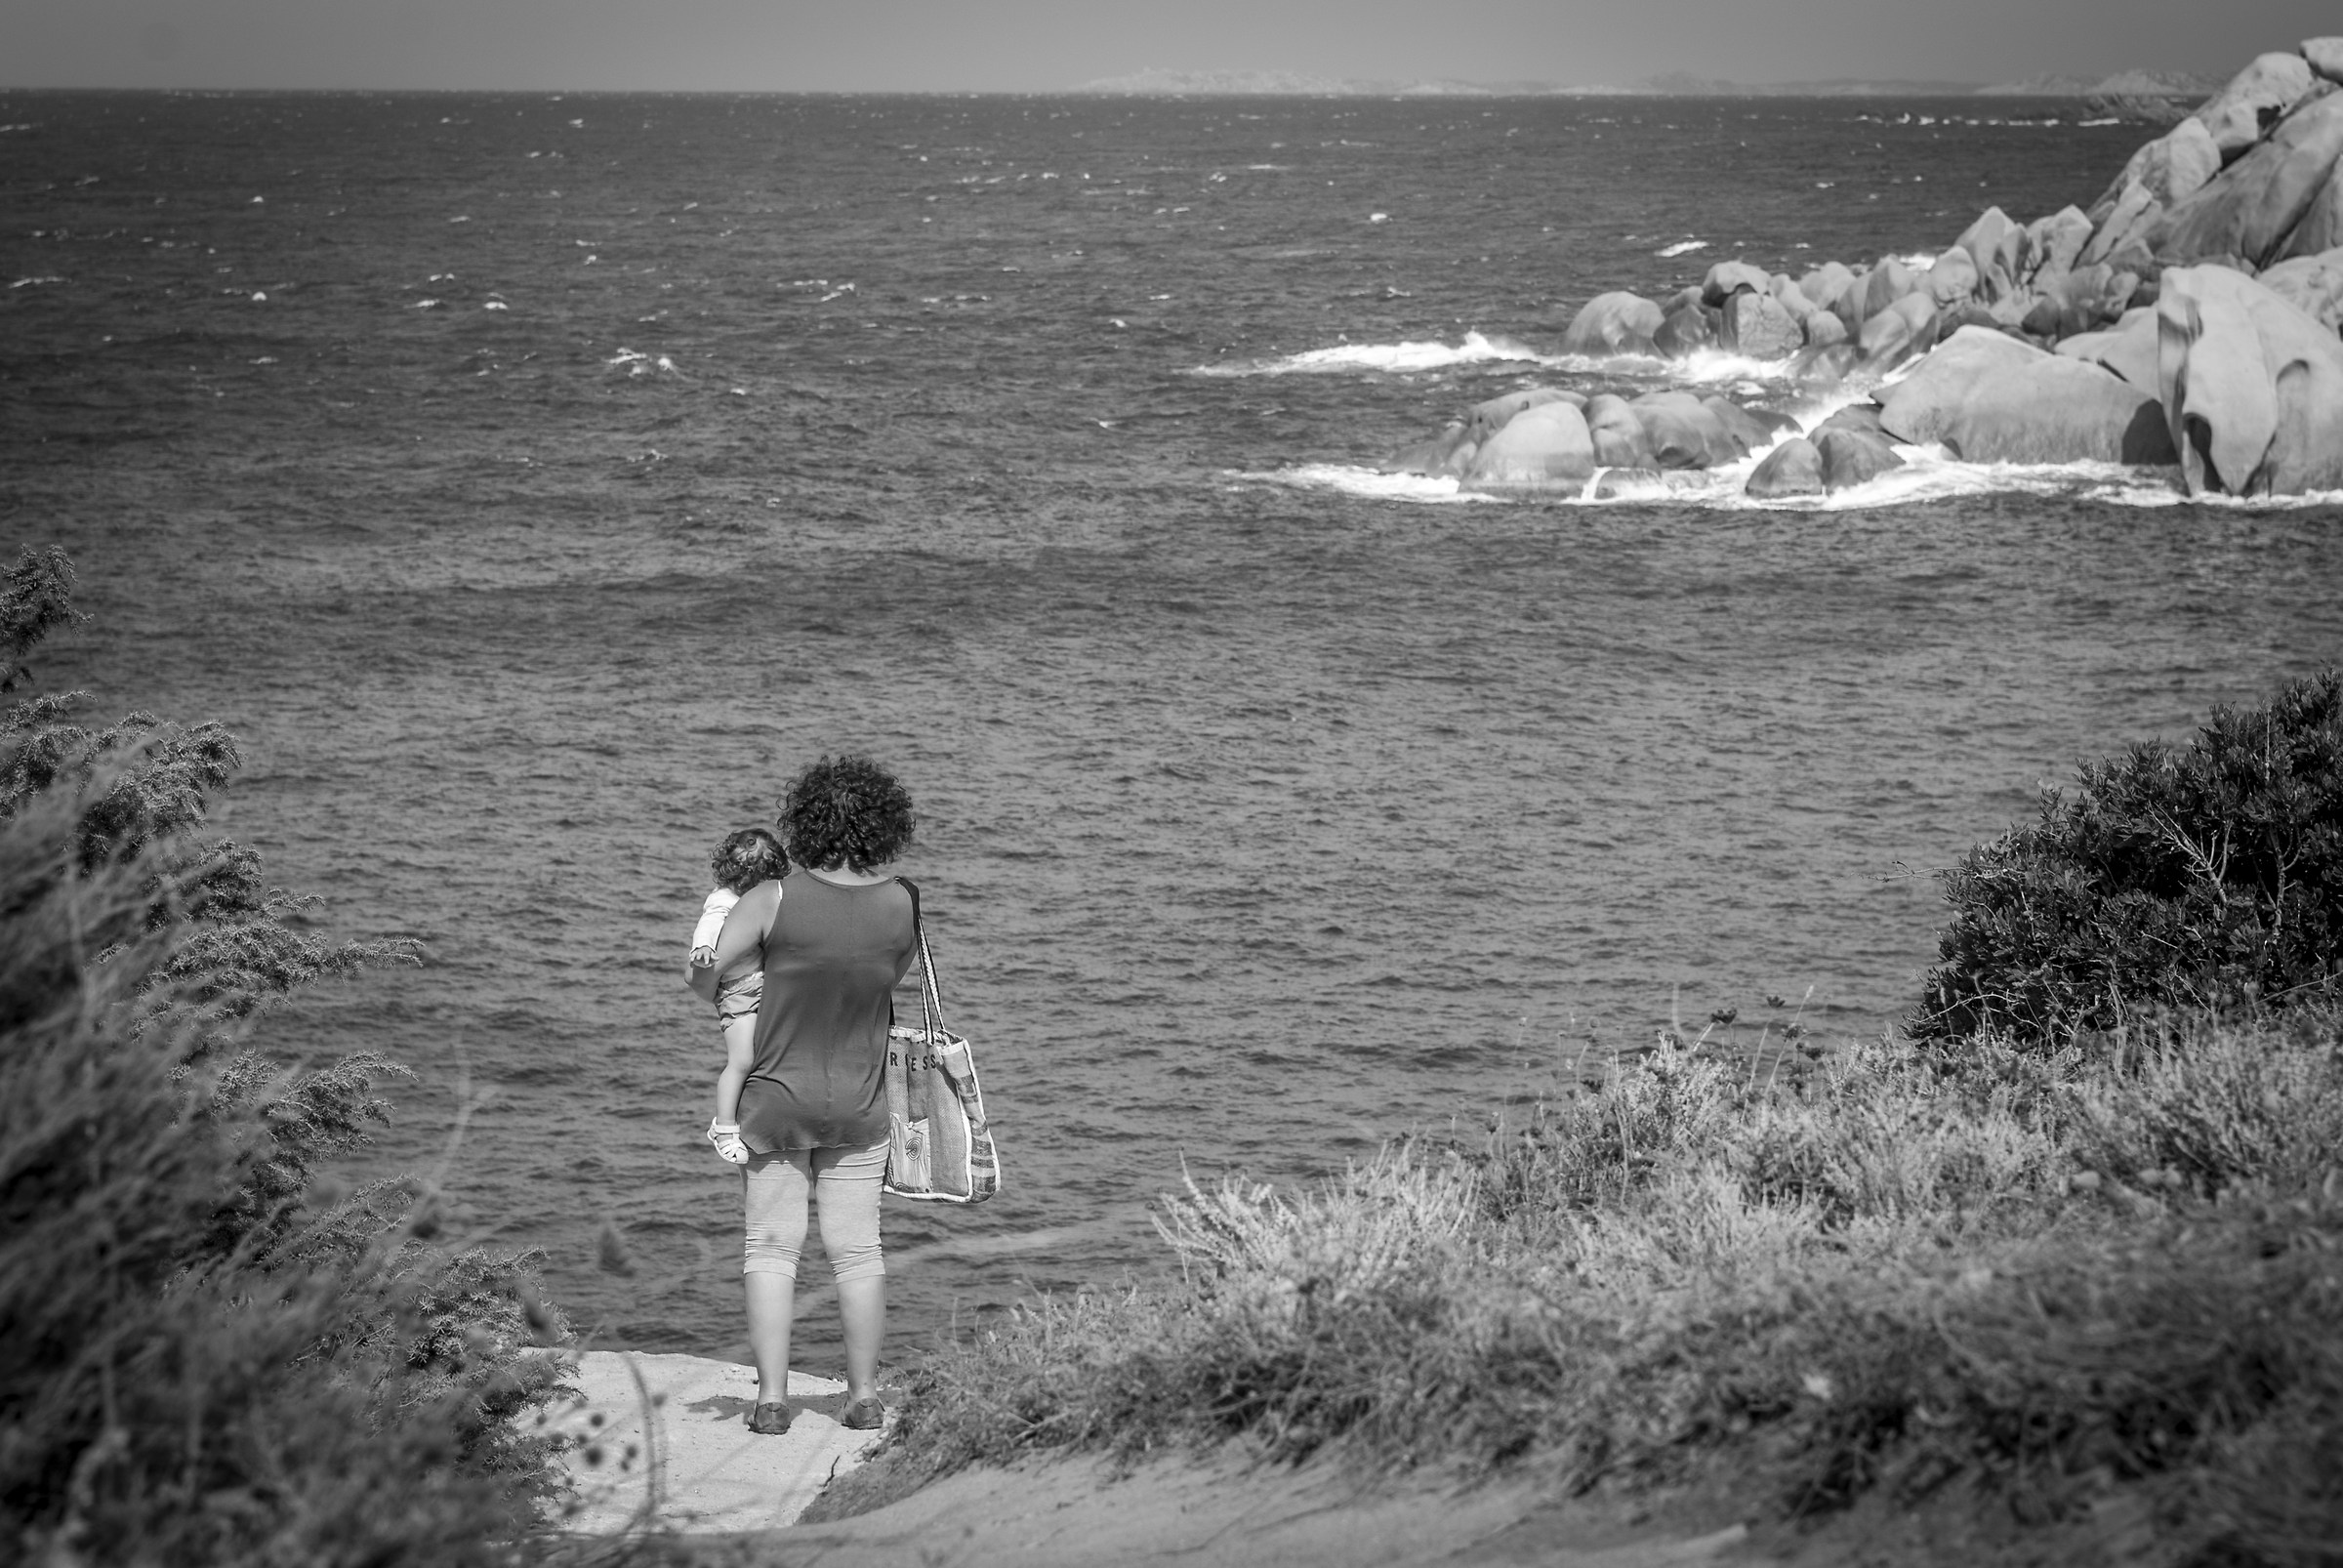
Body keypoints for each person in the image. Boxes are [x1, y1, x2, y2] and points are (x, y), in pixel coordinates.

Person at [685, 754, 920, 1437]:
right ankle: (865, 1399)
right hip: (860, 1099)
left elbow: (707, 982)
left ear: (807, 821)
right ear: (882, 825)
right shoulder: (904, 901)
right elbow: (888, 980)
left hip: (774, 1098)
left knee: (770, 1249)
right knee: (859, 1252)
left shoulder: (772, 898)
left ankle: (771, 1403)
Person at [693, 828, 792, 1166]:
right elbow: (709, 923)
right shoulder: (723, 900)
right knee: (741, 1061)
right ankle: (723, 1127)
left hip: (759, 986)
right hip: (737, 992)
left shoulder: (752, 900)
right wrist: (703, 947)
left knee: (757, 1057)